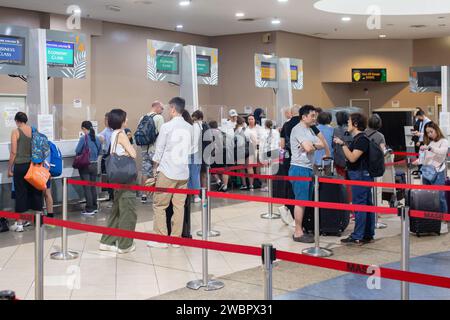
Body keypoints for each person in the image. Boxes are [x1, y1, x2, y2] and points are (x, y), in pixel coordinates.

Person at [147, 97, 192, 249]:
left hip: (167, 171)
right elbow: (192, 150)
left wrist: (154, 170)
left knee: (160, 206)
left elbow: (159, 150)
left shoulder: (167, 127)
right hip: (183, 173)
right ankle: (175, 239)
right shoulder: (190, 127)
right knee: (179, 207)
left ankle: (161, 239)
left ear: (173, 109)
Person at [100, 109, 137, 254]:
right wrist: (129, 151)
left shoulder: (113, 134)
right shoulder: (121, 134)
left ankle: (107, 240)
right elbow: (133, 154)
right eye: (125, 118)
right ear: (121, 120)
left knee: (116, 210)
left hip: (116, 178)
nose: (126, 120)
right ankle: (125, 244)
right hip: (126, 179)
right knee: (128, 210)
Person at [334, 113, 374, 245]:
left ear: (356, 124)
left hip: (360, 175)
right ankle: (367, 233)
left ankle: (358, 235)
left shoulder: (361, 139)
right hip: (362, 174)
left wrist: (342, 144)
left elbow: (352, 158)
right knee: (366, 204)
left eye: (350, 122)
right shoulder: (359, 138)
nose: (348, 124)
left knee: (360, 205)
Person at [289, 105, 325, 243]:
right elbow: (309, 147)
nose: (314, 118)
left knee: (304, 201)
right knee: (300, 201)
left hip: (308, 168)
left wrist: (311, 145)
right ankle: (298, 232)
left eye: (315, 116)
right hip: (299, 168)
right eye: (312, 116)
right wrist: (311, 146)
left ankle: (301, 229)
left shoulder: (309, 130)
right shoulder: (298, 129)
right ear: (303, 117)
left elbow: (320, 144)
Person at [7, 112, 44, 232]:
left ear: (17, 121)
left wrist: (9, 168)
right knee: (36, 192)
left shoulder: (16, 131)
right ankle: (39, 221)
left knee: (20, 194)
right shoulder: (34, 131)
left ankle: (20, 224)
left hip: (20, 166)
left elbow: (13, 152)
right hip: (34, 165)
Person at [413, 122, 449, 216]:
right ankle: (432, 219)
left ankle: (444, 219)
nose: (429, 134)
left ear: (436, 130)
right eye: (427, 133)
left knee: (440, 197)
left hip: (438, 173)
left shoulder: (444, 141)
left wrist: (429, 148)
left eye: (431, 132)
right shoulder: (430, 142)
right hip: (427, 172)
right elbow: (426, 157)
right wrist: (419, 161)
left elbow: (442, 152)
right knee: (428, 197)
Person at [138, 101, 165, 204]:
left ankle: (144, 195)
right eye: (162, 108)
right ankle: (157, 195)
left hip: (144, 149)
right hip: (155, 149)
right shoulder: (159, 118)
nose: (162, 111)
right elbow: (162, 135)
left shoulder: (142, 117)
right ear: (157, 107)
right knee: (156, 171)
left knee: (145, 172)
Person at [75, 121, 102, 216]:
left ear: (84, 128)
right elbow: (100, 151)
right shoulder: (97, 138)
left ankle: (89, 209)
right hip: (94, 165)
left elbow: (77, 150)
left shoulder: (84, 138)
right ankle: (94, 207)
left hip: (85, 165)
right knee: (93, 186)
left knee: (87, 187)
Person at [241, 115, 262, 190]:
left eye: (252, 119)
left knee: (257, 166)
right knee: (249, 166)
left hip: (257, 149)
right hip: (248, 149)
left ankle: (258, 181)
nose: (250, 120)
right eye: (249, 119)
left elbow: (261, 139)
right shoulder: (246, 129)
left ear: (254, 120)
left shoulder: (259, 128)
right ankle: (250, 184)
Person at [208, 121, 230, 192]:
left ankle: (219, 181)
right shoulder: (223, 133)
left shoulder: (210, 133)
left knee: (213, 169)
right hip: (224, 152)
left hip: (215, 153)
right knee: (224, 169)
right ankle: (225, 186)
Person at [98, 113, 114, 203]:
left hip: (116, 159)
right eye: (105, 120)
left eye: (107, 120)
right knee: (109, 179)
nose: (105, 122)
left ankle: (114, 198)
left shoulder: (117, 131)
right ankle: (111, 197)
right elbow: (100, 136)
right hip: (109, 158)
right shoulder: (106, 130)